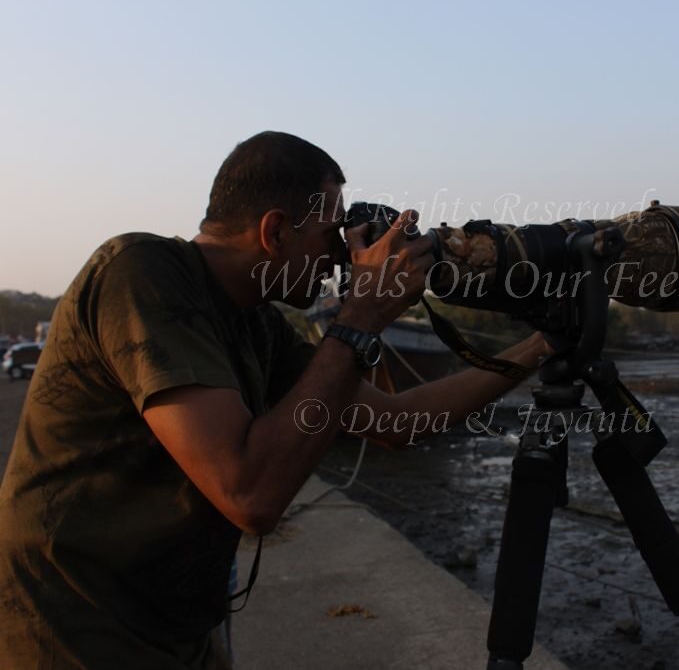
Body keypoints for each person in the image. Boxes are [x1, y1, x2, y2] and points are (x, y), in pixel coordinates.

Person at [0, 131, 551, 669]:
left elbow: (395, 422)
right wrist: (361, 316)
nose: (342, 254)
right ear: (275, 230)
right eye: (333, 232)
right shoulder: (139, 271)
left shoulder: (258, 324)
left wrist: (541, 346)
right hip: (71, 627)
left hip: (173, 624)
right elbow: (250, 495)